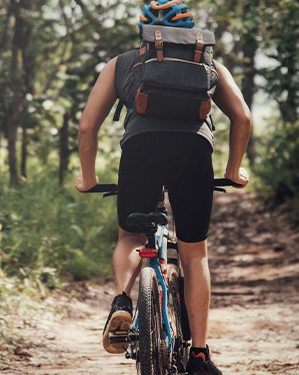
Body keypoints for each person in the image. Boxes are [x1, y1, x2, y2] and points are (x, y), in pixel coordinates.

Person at [73, 1, 251, 374]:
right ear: (190, 32)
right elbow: (243, 116)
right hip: (194, 152)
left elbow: (88, 126)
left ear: (143, 31)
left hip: (141, 150)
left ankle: (123, 300)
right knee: (194, 251)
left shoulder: (122, 64)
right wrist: (234, 170)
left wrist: (88, 178)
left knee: (130, 236)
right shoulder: (209, 64)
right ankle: (199, 355)